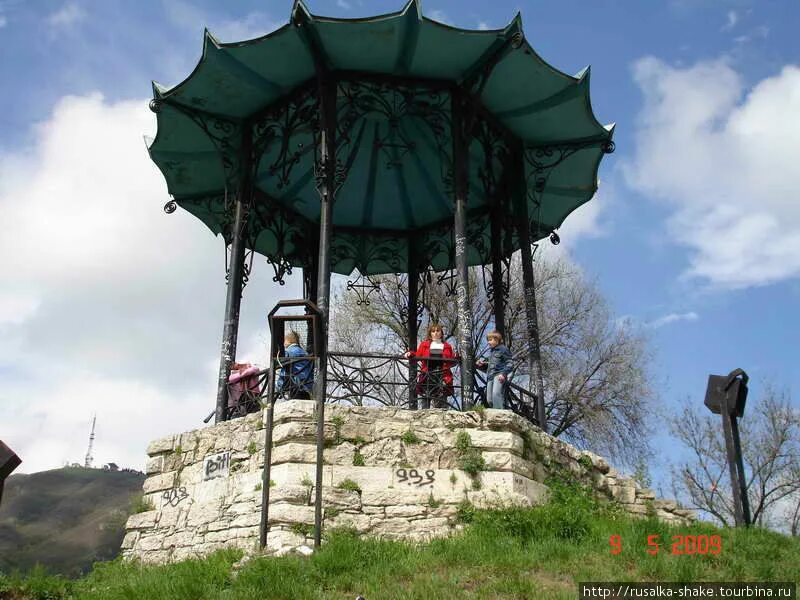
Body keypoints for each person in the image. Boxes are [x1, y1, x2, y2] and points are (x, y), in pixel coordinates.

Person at [404, 323, 455, 409]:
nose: (435, 333)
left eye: (438, 331)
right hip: (427, 374)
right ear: (430, 334)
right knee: (425, 400)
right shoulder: (425, 344)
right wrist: (410, 353)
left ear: (441, 333)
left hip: (442, 375)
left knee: (441, 403)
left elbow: (451, 360)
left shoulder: (447, 346)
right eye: (433, 331)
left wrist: (458, 357)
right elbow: (417, 355)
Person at [477, 330, 513, 409]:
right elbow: (491, 364)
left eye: (490, 340)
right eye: (488, 340)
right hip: (490, 376)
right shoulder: (492, 352)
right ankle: (495, 411)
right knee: (489, 399)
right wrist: (483, 364)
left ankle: (500, 413)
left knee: (496, 394)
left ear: (496, 340)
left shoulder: (503, 349)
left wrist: (503, 374)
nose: (488, 342)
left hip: (498, 374)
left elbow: (510, 364)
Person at [276, 331, 313, 400]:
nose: (284, 344)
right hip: (307, 386)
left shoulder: (288, 352)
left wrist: (279, 387)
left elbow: (284, 371)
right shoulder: (304, 352)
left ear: (288, 341)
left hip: (294, 385)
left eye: (284, 341)